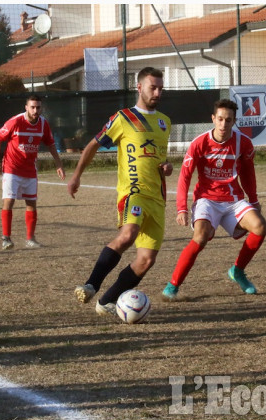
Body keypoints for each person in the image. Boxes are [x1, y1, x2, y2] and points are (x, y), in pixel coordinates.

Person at [68, 67, 172, 316]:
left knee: (146, 260)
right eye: (152, 87)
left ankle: (106, 302)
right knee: (128, 234)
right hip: (132, 191)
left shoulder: (165, 122)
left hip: (157, 198)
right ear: (139, 87)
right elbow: (94, 144)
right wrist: (77, 175)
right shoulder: (124, 118)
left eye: (160, 88)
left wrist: (167, 167)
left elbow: (160, 159)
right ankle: (91, 284)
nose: (157, 92)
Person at [162, 99, 266, 301]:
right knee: (200, 238)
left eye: (228, 120)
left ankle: (237, 271)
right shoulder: (199, 143)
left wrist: (253, 200)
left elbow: (248, 173)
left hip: (233, 200)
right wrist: (181, 208)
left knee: (260, 226)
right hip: (206, 200)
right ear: (213, 119)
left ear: (234, 121)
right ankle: (173, 285)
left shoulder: (243, 143)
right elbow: (185, 176)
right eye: (220, 119)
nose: (223, 124)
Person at [0, 95, 65, 250]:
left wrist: (58, 164)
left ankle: (30, 239)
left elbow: (51, 144)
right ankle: (6, 238)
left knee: (31, 203)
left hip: (30, 170)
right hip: (12, 168)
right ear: (26, 107)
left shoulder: (43, 124)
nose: (35, 110)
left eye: (38, 107)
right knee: (9, 201)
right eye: (32, 107)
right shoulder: (15, 122)